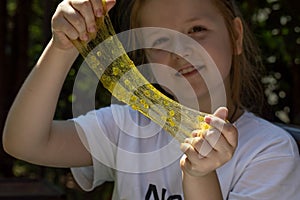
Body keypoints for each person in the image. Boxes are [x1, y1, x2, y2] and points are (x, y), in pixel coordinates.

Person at [3, 0, 300, 199]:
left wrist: (198, 175)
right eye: (160, 40)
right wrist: (65, 45)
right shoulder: (125, 125)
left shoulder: (270, 151)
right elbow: (24, 143)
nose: (181, 50)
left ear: (235, 35)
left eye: (197, 30)